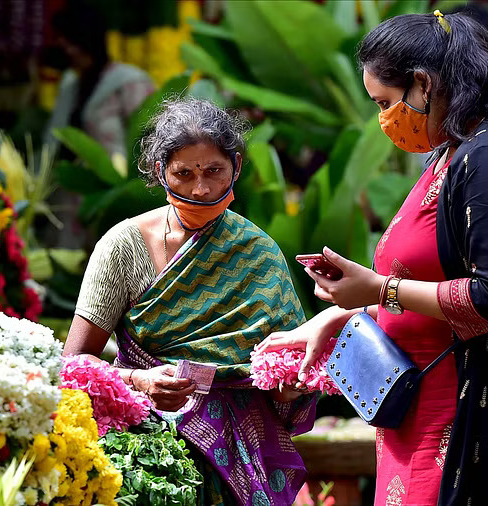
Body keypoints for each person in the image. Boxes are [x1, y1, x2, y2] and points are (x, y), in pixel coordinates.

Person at [255, 11, 488, 506]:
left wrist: (379, 289)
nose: (385, 119)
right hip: (428, 404)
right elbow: (436, 282)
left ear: (422, 84)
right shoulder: (452, 151)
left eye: (387, 103)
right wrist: (341, 313)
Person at [63, 98, 317, 505]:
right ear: (160, 171)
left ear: (235, 166)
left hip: (242, 454)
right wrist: (139, 382)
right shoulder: (123, 248)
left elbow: (288, 373)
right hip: (146, 452)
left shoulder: (258, 253)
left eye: (214, 171)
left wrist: (290, 387)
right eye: (184, 174)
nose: (201, 189)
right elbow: (74, 363)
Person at [43, 1, 153, 156]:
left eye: (67, 43)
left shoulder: (130, 83)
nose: (63, 50)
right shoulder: (71, 85)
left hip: (115, 179)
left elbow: (149, 141)